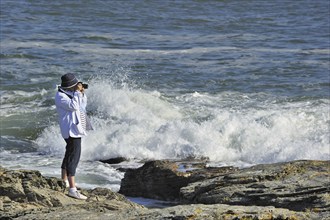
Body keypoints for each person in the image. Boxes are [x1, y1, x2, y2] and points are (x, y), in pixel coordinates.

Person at [55, 73, 88, 200]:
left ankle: (64, 181)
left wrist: (82, 94)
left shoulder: (70, 94)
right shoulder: (60, 96)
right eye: (76, 85)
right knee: (74, 157)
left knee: (69, 154)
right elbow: (74, 106)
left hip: (75, 129)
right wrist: (77, 93)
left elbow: (82, 106)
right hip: (70, 131)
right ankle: (72, 189)